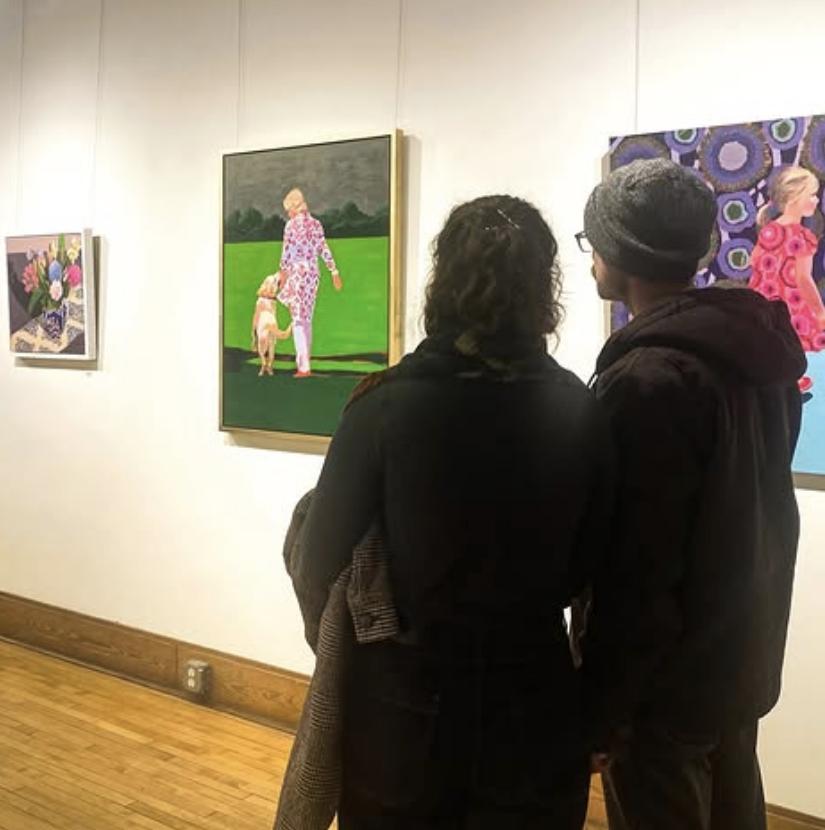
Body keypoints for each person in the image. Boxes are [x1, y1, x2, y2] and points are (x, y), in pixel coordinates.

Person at [293, 195, 617, 830]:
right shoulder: (581, 411)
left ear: (442, 279)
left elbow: (316, 561)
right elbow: (603, 573)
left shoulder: (381, 406)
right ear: (543, 287)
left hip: (403, 705)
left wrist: (345, 647)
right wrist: (599, 709)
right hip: (535, 698)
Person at [577, 158, 807, 830]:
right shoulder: (758, 360)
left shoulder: (647, 381)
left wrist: (601, 708)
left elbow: (636, 570)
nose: (591, 259)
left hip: (663, 690)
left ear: (619, 252)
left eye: (593, 241)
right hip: (737, 661)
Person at [749, 165, 825, 393]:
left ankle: (774, 379)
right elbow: (804, 279)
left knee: (772, 342)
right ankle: (788, 381)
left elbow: (753, 262)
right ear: (795, 198)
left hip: (763, 301)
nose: (816, 200)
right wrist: (820, 311)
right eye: (812, 195)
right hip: (790, 304)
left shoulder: (769, 230)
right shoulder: (803, 237)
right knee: (791, 343)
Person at [277, 188, 342, 377]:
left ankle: (303, 367)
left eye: (288, 210)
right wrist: (334, 271)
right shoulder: (316, 224)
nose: (288, 213)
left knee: (298, 320)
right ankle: (305, 363)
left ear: (293, 207)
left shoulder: (290, 226)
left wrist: (282, 275)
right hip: (313, 275)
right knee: (306, 319)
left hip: (297, 275)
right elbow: (323, 248)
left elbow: (286, 253)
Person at [252, 272, 289, 376]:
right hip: (263, 322)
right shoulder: (261, 300)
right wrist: (254, 329)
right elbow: (257, 315)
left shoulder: (272, 300)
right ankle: (265, 365)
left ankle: (268, 366)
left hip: (270, 321)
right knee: (263, 344)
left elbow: (272, 313)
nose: (272, 288)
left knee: (270, 343)